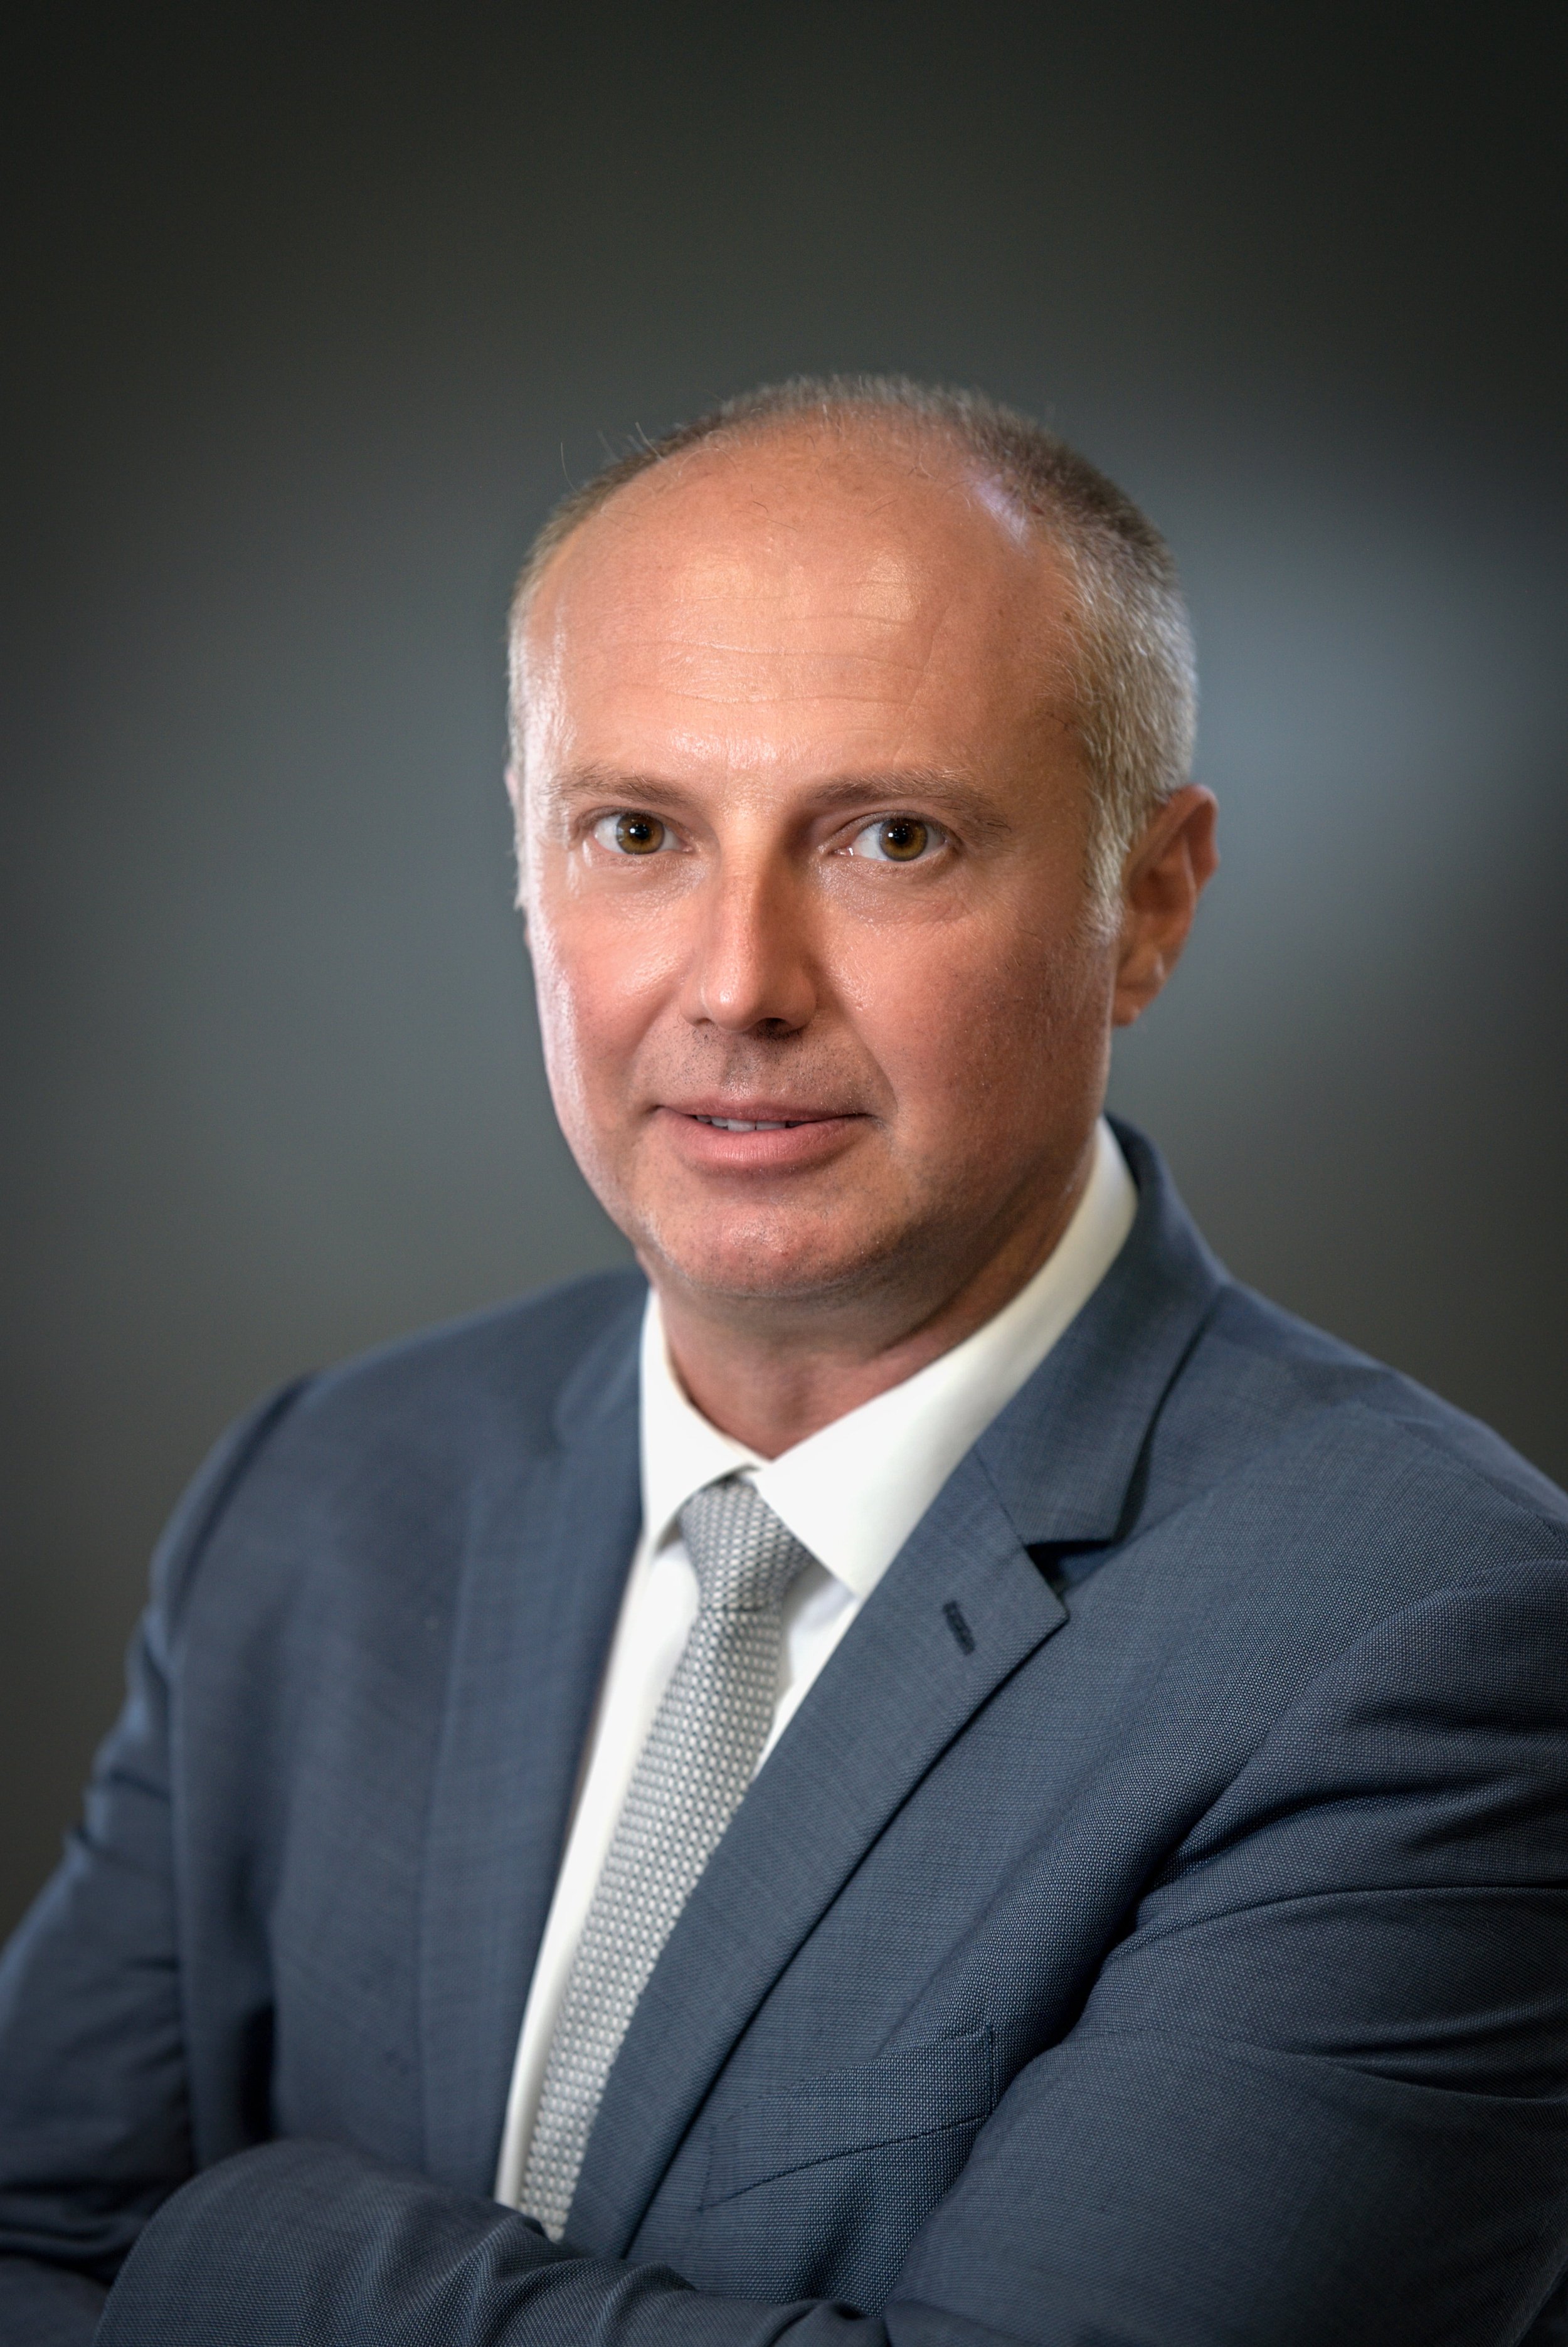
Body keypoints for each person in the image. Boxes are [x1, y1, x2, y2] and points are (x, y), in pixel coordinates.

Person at [2, 376, 1566, 2347]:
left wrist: (249, 2251)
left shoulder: (1431, 1643)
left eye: (890, 838)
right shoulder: (323, 1494)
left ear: (1145, 904)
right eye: (637, 831)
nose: (738, 982)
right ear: (528, 866)